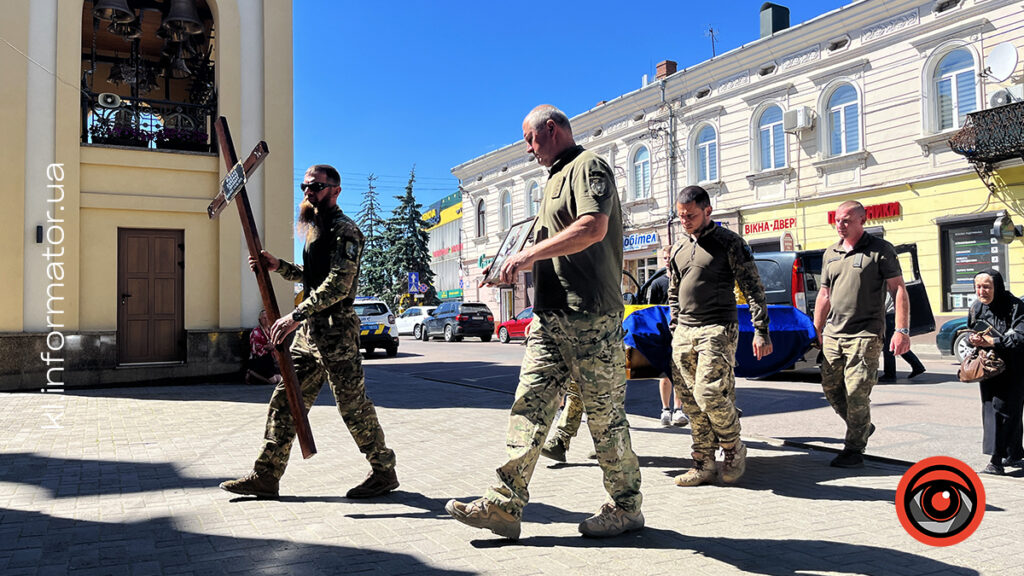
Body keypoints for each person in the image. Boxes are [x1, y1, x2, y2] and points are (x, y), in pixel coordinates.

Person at [446, 105, 643, 540]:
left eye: (531, 140)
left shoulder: (589, 166)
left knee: (604, 418)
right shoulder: (553, 179)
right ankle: (503, 504)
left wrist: (528, 255)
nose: (529, 150)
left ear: (551, 130)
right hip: (549, 319)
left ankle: (626, 506)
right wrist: (512, 260)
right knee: (529, 407)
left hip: (591, 316)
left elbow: (592, 227)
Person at [220, 164, 398, 500]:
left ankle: (384, 471)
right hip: (310, 336)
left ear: (335, 190)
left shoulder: (346, 231)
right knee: (285, 400)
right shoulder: (316, 228)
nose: (307, 192)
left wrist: (295, 315)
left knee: (353, 407)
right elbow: (313, 275)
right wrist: (279, 267)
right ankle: (266, 475)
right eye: (304, 186)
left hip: (337, 335)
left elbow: (338, 286)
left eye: (315, 186)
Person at [668, 185, 772, 487]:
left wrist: (761, 330)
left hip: (717, 328)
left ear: (708, 211)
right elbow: (674, 291)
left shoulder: (730, 243)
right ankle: (703, 462)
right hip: (685, 332)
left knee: (709, 393)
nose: (685, 221)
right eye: (681, 216)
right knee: (690, 402)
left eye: (691, 215)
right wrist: (676, 325)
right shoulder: (679, 248)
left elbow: (753, 288)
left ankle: (733, 448)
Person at [814, 200, 910, 468]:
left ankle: (854, 449)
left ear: (861, 221)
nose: (840, 225)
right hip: (833, 335)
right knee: (832, 390)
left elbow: (898, 289)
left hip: (865, 334)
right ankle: (863, 425)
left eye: (846, 220)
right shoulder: (830, 253)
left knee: (857, 391)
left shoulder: (880, 250)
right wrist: (817, 328)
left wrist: (901, 330)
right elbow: (825, 294)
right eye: (837, 220)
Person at [967, 269, 1024, 475]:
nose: (982, 291)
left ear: (997, 287)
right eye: (978, 287)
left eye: (987, 287)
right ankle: (1012, 454)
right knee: (993, 411)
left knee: (1009, 411)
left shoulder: (1015, 306)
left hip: (1015, 368)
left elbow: (1021, 337)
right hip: (989, 368)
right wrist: (973, 339)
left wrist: (994, 341)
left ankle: (996, 461)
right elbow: (970, 332)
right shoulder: (976, 307)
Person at [642, 245, 687, 428]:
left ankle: (679, 409)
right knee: (665, 374)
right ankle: (665, 410)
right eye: (665, 257)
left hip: (683, 331)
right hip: (664, 334)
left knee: (681, 372)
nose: (667, 260)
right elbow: (652, 311)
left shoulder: (685, 279)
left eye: (670, 256)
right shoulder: (658, 283)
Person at [880, 293, 925, 382]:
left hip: (890, 317)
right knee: (895, 345)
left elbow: (884, 305)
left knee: (889, 347)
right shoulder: (890, 288)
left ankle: (890, 374)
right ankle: (917, 366)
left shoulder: (885, 288)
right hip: (892, 316)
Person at [246, 309, 283, 386]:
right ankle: (251, 373)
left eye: (267, 318)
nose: (266, 320)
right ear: (260, 320)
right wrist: (268, 347)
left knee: (279, 379)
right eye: (264, 318)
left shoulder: (271, 331)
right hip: (260, 360)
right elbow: (255, 349)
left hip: (271, 360)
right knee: (273, 381)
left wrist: (273, 346)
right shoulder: (256, 332)